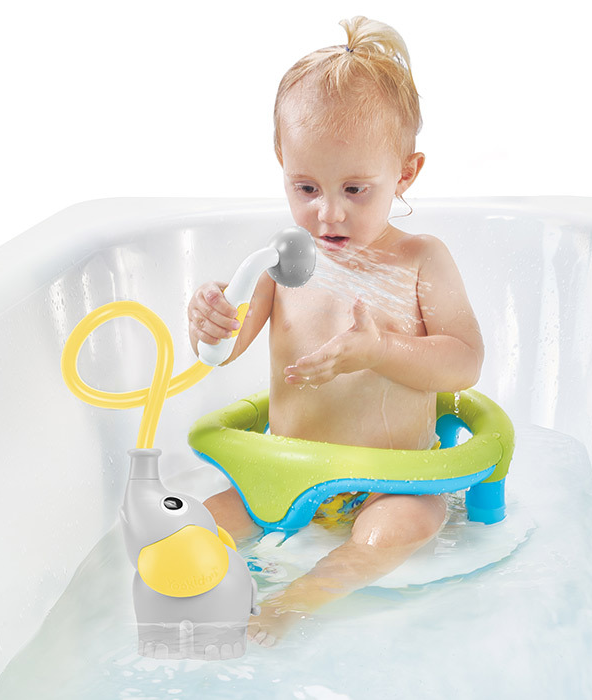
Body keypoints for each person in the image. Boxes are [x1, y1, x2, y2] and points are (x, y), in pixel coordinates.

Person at [187, 16, 484, 646]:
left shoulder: (421, 260)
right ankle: (205, 599)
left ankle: (299, 600)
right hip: (286, 471)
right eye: (306, 187)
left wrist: (380, 350)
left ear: (405, 173)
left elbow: (464, 362)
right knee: (192, 529)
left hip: (389, 481)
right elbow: (223, 351)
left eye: (355, 188)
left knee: (397, 529)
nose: (328, 212)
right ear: (282, 163)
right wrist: (210, 323)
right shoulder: (280, 260)